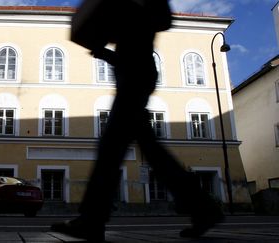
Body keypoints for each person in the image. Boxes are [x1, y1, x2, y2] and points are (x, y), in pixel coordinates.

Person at [51, 0, 224, 242]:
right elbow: (135, 37)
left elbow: (161, 20)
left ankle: (92, 220)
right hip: (133, 72)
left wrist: (122, 16)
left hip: (136, 74)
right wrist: (107, 49)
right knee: (148, 151)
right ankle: (203, 209)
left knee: (112, 148)